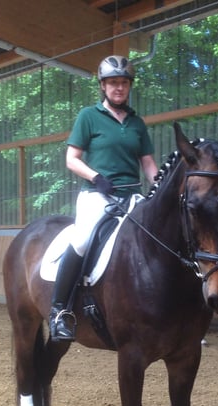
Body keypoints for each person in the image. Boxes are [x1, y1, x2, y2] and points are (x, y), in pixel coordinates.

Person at [49, 55, 159, 341]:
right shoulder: (89, 116)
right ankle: (60, 311)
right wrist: (96, 177)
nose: (119, 88)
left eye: (123, 83)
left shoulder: (137, 123)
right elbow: (72, 159)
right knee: (83, 238)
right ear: (103, 86)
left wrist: (158, 185)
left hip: (133, 196)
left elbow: (147, 161)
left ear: (129, 86)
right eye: (113, 83)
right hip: (98, 194)